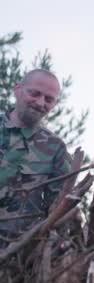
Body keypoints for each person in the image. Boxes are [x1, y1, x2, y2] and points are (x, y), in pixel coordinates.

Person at [0, 69, 70, 248]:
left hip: (15, 255)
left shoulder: (55, 148)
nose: (40, 103)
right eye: (35, 93)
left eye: (49, 99)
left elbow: (58, 208)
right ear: (17, 90)